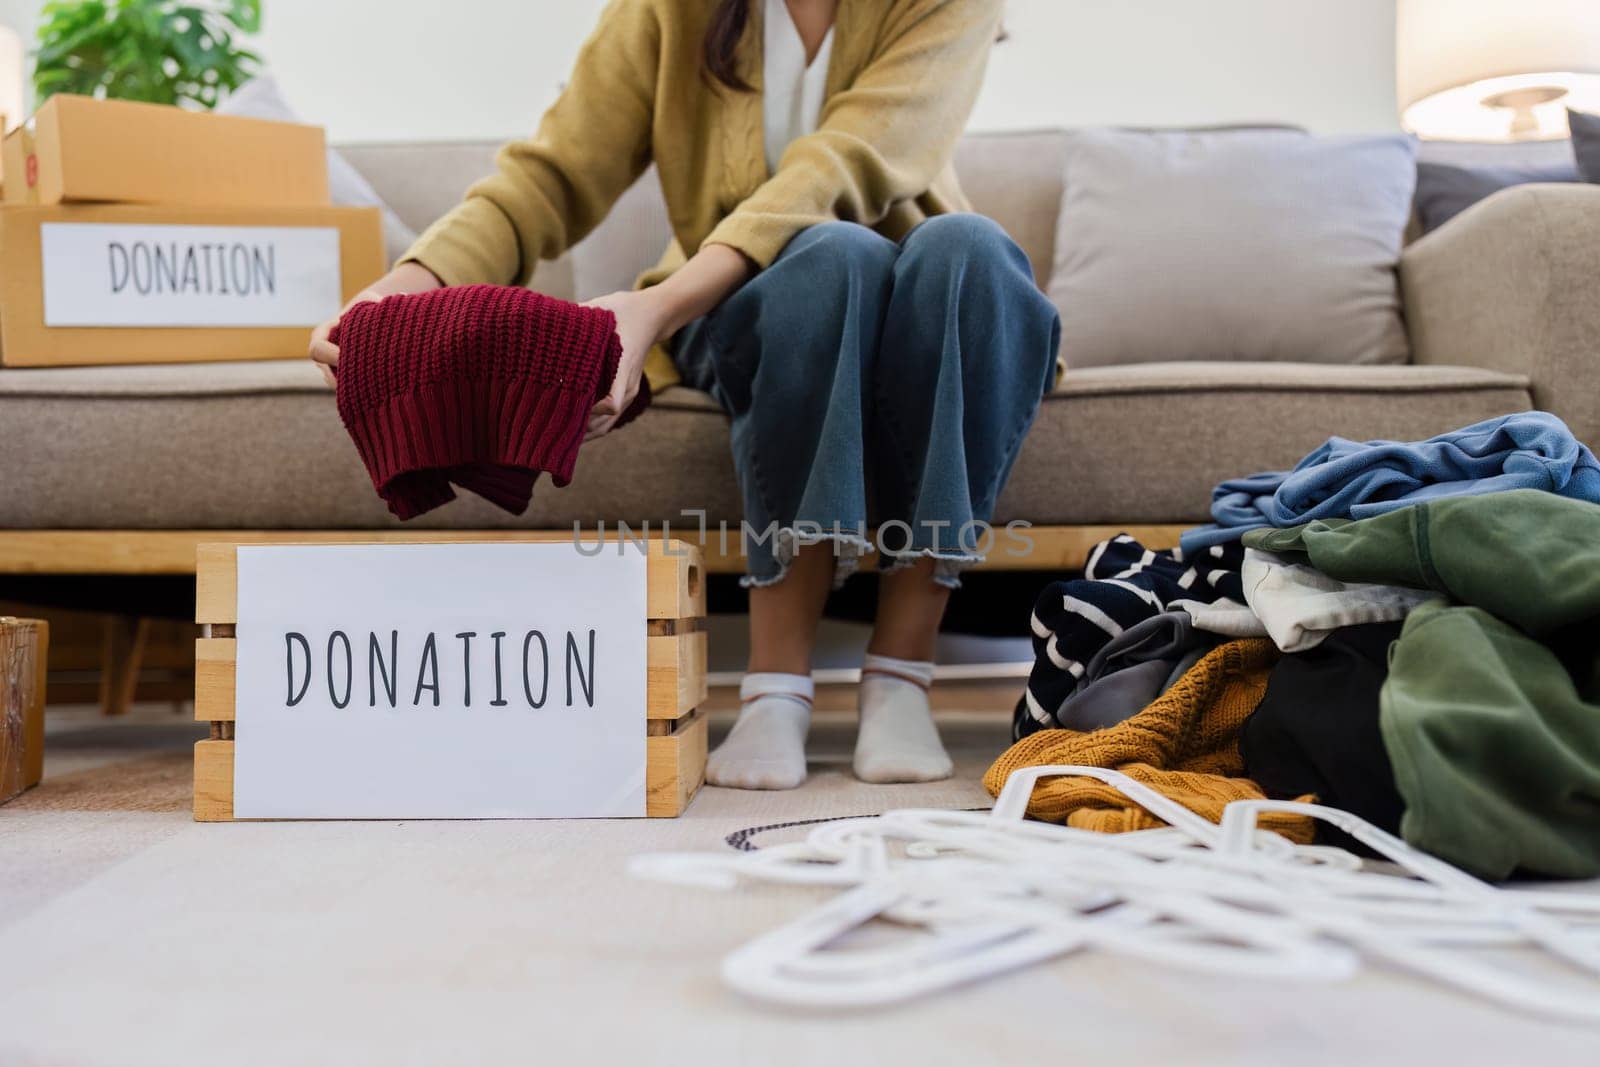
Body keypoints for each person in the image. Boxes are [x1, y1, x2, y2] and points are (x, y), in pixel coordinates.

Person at [309, 0, 1060, 790]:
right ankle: (777, 685)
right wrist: (403, 287)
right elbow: (549, 176)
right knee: (832, 260)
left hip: (921, 313)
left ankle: (901, 673)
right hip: (752, 310)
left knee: (969, 249)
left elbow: (841, 164)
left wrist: (654, 307)